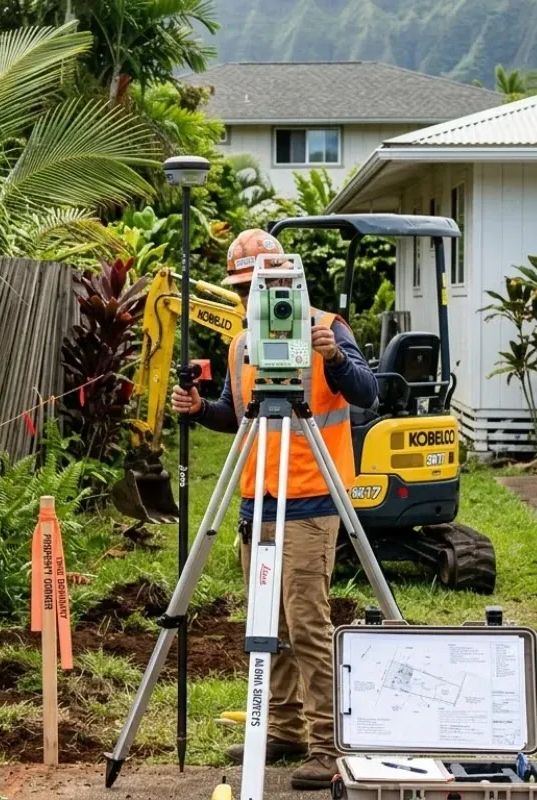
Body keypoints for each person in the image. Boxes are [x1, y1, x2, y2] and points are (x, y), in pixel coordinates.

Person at [171, 229, 378, 791]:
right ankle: (283, 728)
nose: (248, 299)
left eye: (256, 286)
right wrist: (199, 409)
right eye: (241, 289)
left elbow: (367, 393)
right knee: (269, 622)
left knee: (307, 620)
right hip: (256, 501)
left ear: (285, 279)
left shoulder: (325, 327)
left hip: (311, 500)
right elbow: (242, 417)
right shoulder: (242, 344)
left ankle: (325, 742)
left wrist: (333, 358)